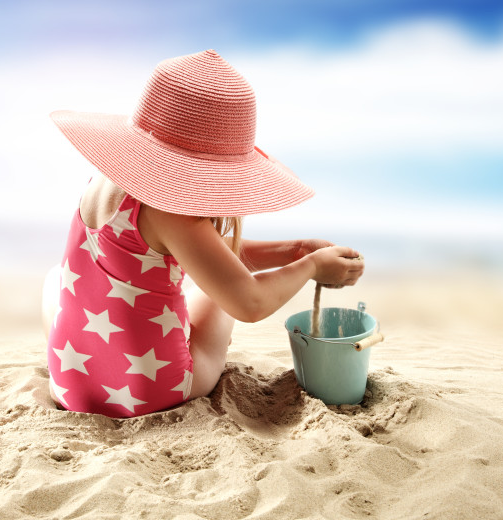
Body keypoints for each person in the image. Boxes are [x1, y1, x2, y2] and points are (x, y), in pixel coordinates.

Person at [41, 50, 364, 418]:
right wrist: (311, 268)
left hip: (71, 382)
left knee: (57, 279)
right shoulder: (175, 215)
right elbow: (250, 302)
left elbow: (194, 252)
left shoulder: (109, 180)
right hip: (151, 392)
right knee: (215, 299)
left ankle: (82, 366)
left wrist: (293, 250)